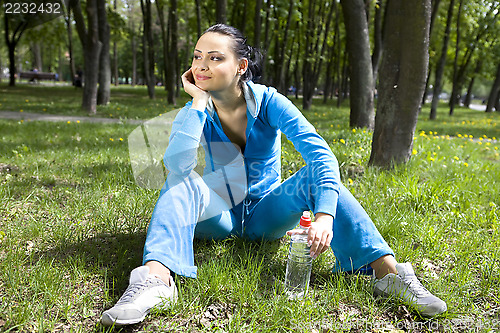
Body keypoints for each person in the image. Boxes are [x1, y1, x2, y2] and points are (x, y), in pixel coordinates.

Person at [101, 24, 447, 326]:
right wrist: (196, 103)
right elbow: (176, 165)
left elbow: (320, 154)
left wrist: (325, 214)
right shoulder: (197, 109)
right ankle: (157, 280)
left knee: (315, 176)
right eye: (197, 57)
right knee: (182, 180)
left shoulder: (269, 102)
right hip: (220, 211)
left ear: (241, 66)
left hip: (267, 214)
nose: (202, 65)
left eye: (215, 57)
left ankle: (388, 274)